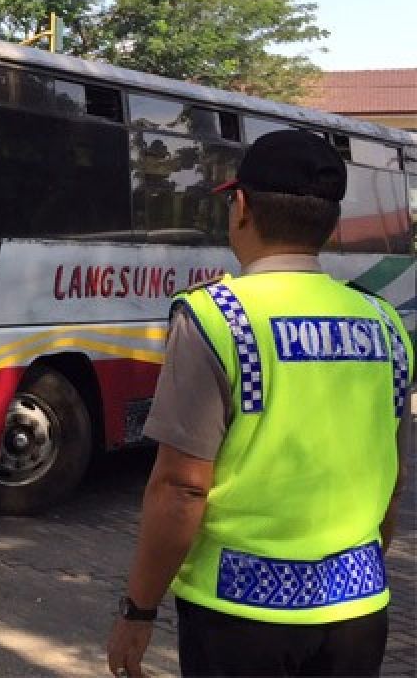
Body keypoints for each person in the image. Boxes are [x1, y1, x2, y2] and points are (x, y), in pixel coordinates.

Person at [107, 129, 412, 677]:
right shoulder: (385, 324)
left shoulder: (215, 317)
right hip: (359, 612)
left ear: (241, 207)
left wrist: (139, 609)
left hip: (239, 618)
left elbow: (181, 488)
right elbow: (393, 477)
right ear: (331, 222)